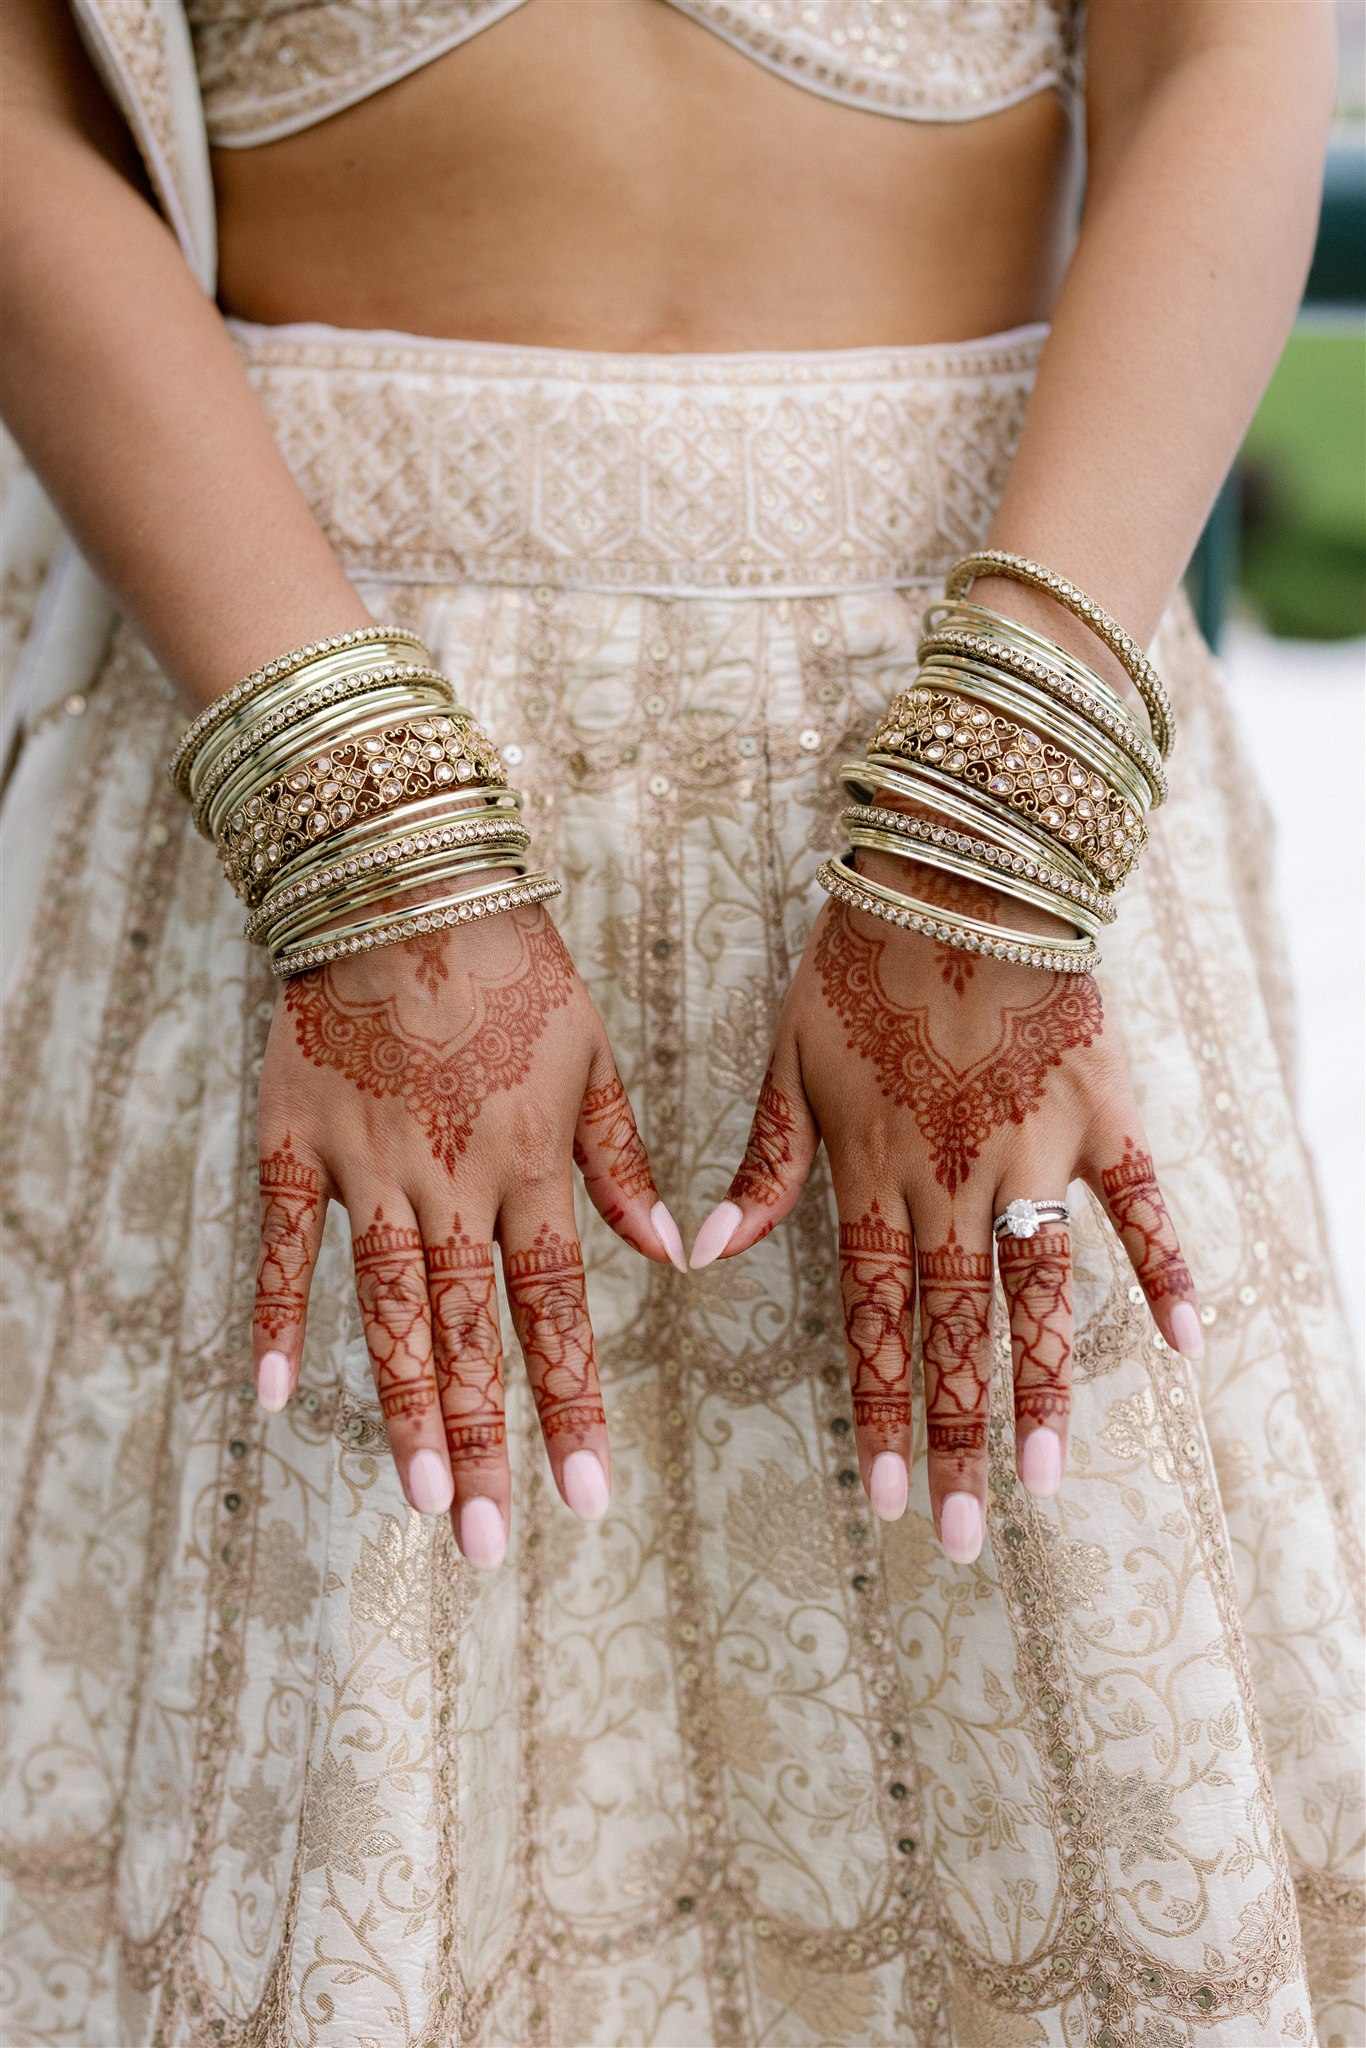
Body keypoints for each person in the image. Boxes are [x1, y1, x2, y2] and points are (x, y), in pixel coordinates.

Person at [1, 0, 1361, 2039]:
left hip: (977, 751)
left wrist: (1000, 818)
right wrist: (347, 823)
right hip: (289, 722)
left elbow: (1218, 49)